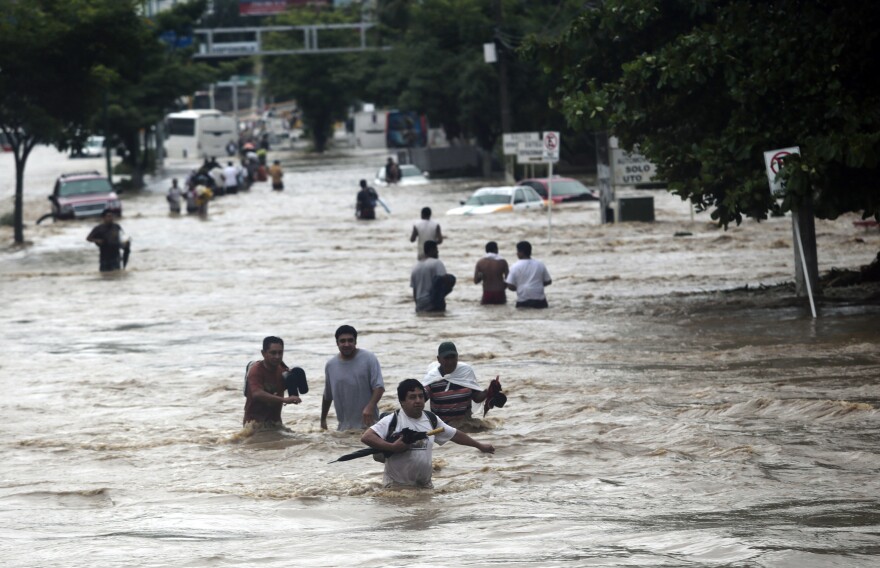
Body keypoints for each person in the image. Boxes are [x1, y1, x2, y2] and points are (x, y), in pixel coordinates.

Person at [361, 379, 495, 488]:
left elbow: (455, 435)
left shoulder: (431, 419)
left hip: (424, 487)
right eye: (412, 397)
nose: (418, 400)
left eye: (420, 396)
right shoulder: (392, 420)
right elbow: (366, 437)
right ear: (402, 402)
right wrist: (392, 447)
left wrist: (480, 445)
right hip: (396, 488)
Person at [321, 325, 385, 431]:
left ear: (355, 342)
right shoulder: (331, 365)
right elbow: (327, 396)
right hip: (343, 429)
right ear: (337, 343)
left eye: (350, 340)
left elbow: (379, 387)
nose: (347, 344)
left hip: (369, 427)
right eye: (342, 341)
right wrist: (323, 420)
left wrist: (370, 406)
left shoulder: (369, 358)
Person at [420, 342, 489, 425]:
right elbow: (420, 400)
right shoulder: (433, 379)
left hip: (466, 423)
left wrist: (488, 392)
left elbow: (476, 398)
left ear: (457, 357)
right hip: (442, 426)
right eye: (446, 358)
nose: (450, 362)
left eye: (453, 357)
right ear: (439, 359)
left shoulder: (465, 373)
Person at [243, 336, 302, 427]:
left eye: (280, 352)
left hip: (276, 423)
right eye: (273, 353)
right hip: (254, 425)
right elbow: (257, 393)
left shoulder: (283, 370)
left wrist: (294, 387)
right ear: (263, 353)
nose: (277, 356)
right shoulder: (256, 370)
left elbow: (290, 388)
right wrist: (284, 400)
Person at [410, 240, 455, 312]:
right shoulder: (437, 263)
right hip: (432, 303)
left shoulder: (416, 267)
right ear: (431, 250)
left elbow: (415, 291)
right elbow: (444, 281)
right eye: (436, 250)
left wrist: (417, 306)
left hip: (420, 304)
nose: (438, 252)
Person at [505, 240, 552, 308]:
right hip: (540, 301)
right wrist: (537, 285)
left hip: (523, 301)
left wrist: (519, 288)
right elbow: (548, 281)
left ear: (522, 252)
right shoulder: (540, 264)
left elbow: (510, 286)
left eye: (517, 251)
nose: (517, 253)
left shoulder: (515, 266)